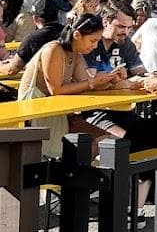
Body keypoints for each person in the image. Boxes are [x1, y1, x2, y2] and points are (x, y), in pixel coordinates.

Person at [17, 12, 123, 157]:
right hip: (36, 115)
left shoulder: (75, 53)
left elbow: (85, 84)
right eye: (92, 41)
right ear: (77, 35)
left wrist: (112, 81)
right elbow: (56, 90)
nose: (95, 46)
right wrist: (92, 82)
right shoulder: (53, 49)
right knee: (95, 144)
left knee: (106, 140)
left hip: (59, 112)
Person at [0, 0, 64, 73]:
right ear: (57, 15)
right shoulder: (67, 33)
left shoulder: (33, 40)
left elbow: (11, 69)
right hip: (65, 79)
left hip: (40, 82)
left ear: (35, 18)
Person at [88, 3, 147, 77]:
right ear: (105, 22)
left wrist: (152, 76)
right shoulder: (90, 42)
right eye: (121, 26)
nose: (125, 32)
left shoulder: (125, 42)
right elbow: (90, 79)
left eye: (129, 28)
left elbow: (138, 68)